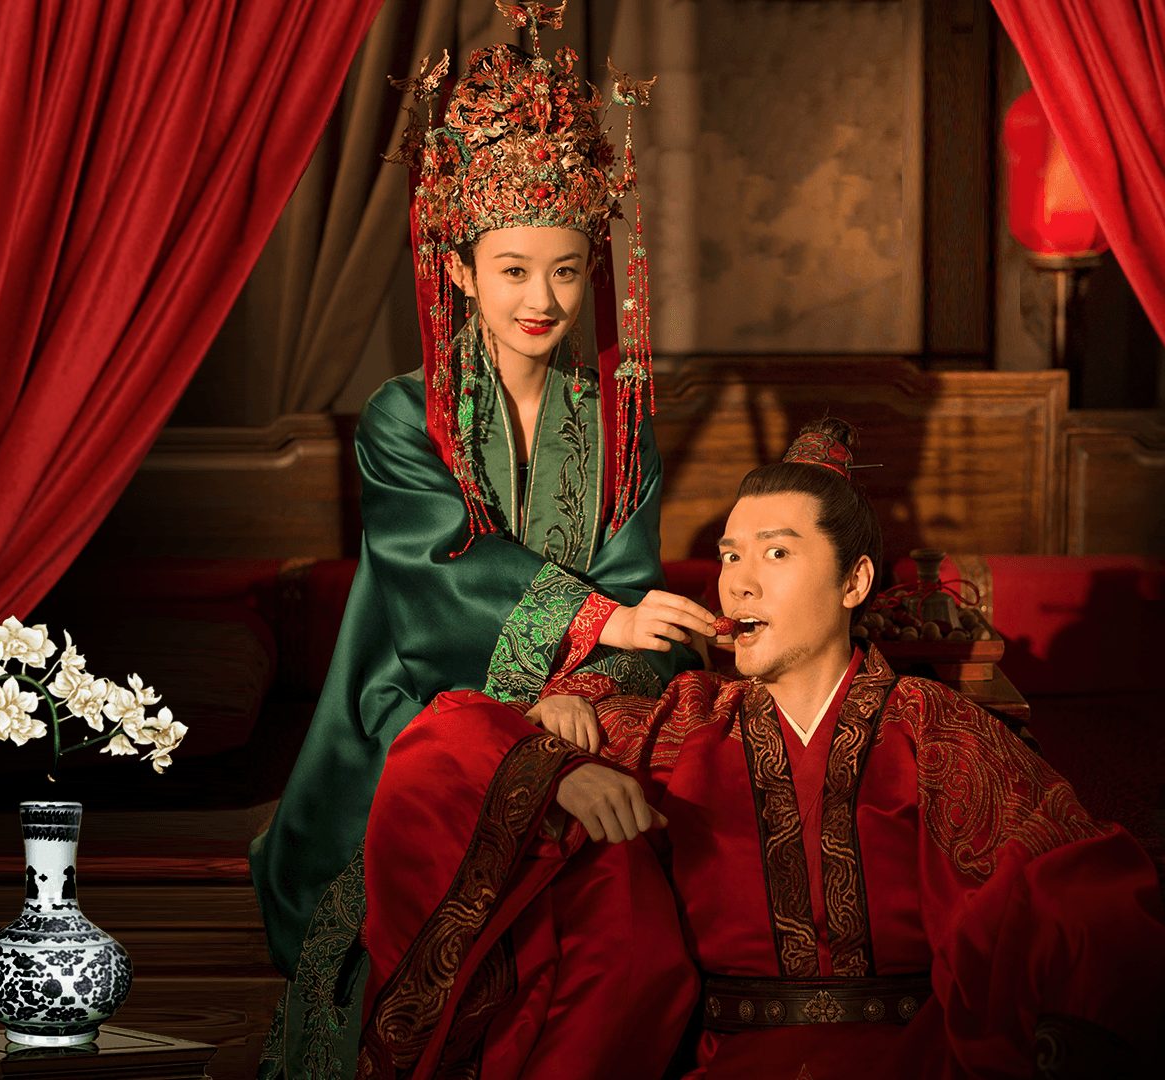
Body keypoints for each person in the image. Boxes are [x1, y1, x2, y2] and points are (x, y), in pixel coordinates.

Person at [357, 418, 1165, 1080]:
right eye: (730, 556)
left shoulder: (933, 728)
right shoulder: (687, 723)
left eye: (776, 553)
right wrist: (553, 766)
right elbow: (446, 744)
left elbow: (1074, 879)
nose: (739, 582)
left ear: (854, 582)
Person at [251, 7, 712, 1074]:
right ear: (460, 271)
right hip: (413, 711)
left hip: (577, 716)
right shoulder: (403, 419)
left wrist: (582, 686)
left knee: (627, 930)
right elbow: (436, 586)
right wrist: (595, 625)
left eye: (565, 270)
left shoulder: (618, 426)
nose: (542, 300)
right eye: (512, 270)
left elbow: (637, 599)